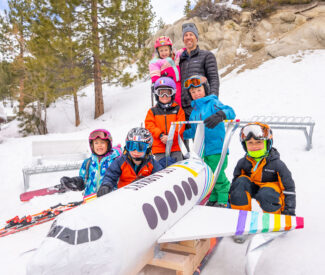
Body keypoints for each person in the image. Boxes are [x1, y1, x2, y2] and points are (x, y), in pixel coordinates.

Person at [183, 75, 235, 207]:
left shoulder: (213, 103)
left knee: (217, 175)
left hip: (216, 148)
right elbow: (195, 130)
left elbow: (230, 111)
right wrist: (182, 134)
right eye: (193, 92)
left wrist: (220, 115)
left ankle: (224, 199)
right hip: (202, 151)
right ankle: (212, 198)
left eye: (199, 90)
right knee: (207, 175)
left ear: (205, 89)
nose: (196, 94)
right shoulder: (194, 111)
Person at [229, 122, 296, 215]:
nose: (254, 146)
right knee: (240, 183)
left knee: (266, 194)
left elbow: (288, 189)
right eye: (250, 143)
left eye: (259, 142)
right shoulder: (242, 163)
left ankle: (274, 217)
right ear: (245, 145)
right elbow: (234, 186)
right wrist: (230, 201)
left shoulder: (277, 164)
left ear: (268, 143)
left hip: (270, 190)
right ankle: (240, 215)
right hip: (251, 187)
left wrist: (289, 211)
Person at [97, 127, 163, 197]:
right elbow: (111, 175)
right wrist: (106, 185)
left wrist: (146, 181)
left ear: (147, 149)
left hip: (144, 196)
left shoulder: (151, 163)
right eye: (131, 146)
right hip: (123, 196)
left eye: (140, 147)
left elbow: (160, 177)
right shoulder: (121, 161)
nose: (136, 151)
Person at [60, 129, 122, 199]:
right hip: (91, 202)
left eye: (102, 142)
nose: (99, 146)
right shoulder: (88, 163)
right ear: (92, 145)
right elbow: (84, 180)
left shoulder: (116, 161)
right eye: (96, 143)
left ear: (108, 144)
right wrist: (75, 182)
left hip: (111, 200)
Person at [178, 22, 220, 120]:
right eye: (186, 35)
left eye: (191, 35)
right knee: (187, 134)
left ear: (196, 38)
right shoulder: (180, 60)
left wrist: (213, 99)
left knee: (204, 134)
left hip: (202, 105)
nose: (188, 37)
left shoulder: (207, 55)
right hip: (184, 109)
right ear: (183, 39)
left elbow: (213, 78)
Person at [145, 77, 185, 167]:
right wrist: (161, 135)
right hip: (159, 148)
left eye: (168, 92)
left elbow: (181, 126)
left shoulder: (178, 110)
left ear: (173, 93)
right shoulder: (152, 111)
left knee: (177, 168)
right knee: (160, 170)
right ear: (156, 94)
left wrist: (171, 137)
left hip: (176, 147)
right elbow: (150, 126)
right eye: (161, 93)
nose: (164, 96)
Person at [149, 36, 182, 107]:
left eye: (166, 50)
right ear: (158, 52)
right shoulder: (157, 62)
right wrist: (155, 82)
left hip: (179, 84)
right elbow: (155, 72)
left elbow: (181, 51)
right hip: (168, 86)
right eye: (161, 51)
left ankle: (181, 115)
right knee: (172, 103)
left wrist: (185, 50)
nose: (164, 53)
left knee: (180, 102)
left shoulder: (175, 56)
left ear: (170, 49)